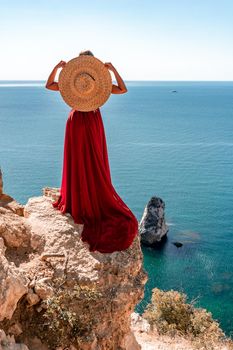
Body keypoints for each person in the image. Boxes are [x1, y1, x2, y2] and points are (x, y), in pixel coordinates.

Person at [45, 50, 138, 253]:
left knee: (77, 159)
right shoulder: (99, 86)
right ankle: (91, 193)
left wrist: (58, 68)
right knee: (94, 160)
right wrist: (112, 70)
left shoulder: (73, 83)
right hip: (92, 122)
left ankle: (76, 196)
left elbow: (49, 85)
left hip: (76, 121)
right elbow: (123, 89)